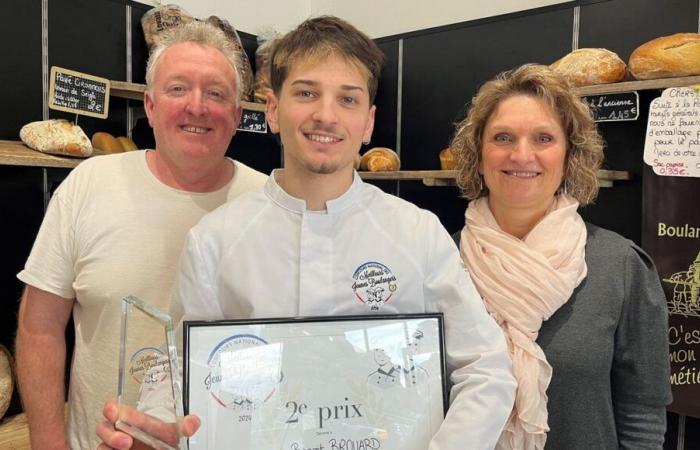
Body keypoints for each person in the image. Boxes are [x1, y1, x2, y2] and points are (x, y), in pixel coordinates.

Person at [97, 15, 516, 450]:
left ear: (368, 122)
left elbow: (486, 369)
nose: (326, 115)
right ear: (274, 110)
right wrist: (155, 427)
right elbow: (185, 371)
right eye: (306, 93)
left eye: (347, 99)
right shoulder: (215, 240)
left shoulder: (417, 234)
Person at [15, 21, 267, 450]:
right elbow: (39, 327)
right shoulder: (89, 184)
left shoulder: (268, 202)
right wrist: (49, 443)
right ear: (150, 106)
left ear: (238, 115)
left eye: (216, 93)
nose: (197, 106)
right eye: (177, 89)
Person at [451, 63, 671, 449]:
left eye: (543, 138)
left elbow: (642, 412)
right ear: (478, 154)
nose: (522, 155)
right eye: (503, 137)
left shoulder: (619, 266)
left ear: (570, 155)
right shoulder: (440, 262)